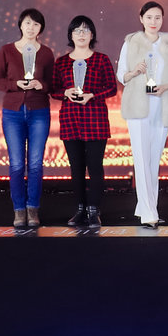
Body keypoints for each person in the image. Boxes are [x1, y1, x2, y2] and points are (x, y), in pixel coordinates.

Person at [118, 1, 168, 228]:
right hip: (138, 106)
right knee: (141, 158)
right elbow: (121, 75)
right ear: (141, 18)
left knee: (153, 159)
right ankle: (148, 212)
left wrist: (167, 86)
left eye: (157, 17)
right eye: (149, 17)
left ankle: (147, 207)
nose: (153, 22)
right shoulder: (131, 42)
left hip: (162, 105)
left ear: (162, 19)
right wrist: (135, 71)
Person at [52, 15, 118, 230]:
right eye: (77, 30)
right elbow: (53, 90)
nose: (81, 34)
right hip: (70, 119)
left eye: (86, 30)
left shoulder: (101, 60)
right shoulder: (61, 62)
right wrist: (65, 93)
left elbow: (112, 88)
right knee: (76, 167)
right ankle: (80, 208)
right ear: (70, 35)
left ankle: (94, 210)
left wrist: (93, 95)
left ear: (92, 35)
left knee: (95, 167)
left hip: (95, 118)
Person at [0, 7, 54, 229]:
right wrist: (15, 84)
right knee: (17, 164)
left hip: (39, 112)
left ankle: (32, 208)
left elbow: (52, 84)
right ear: (20, 25)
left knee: (36, 163)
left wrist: (41, 85)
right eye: (28, 23)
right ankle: (19, 209)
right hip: (13, 112)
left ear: (40, 28)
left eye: (36, 24)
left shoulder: (46, 53)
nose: (31, 27)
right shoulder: (7, 50)